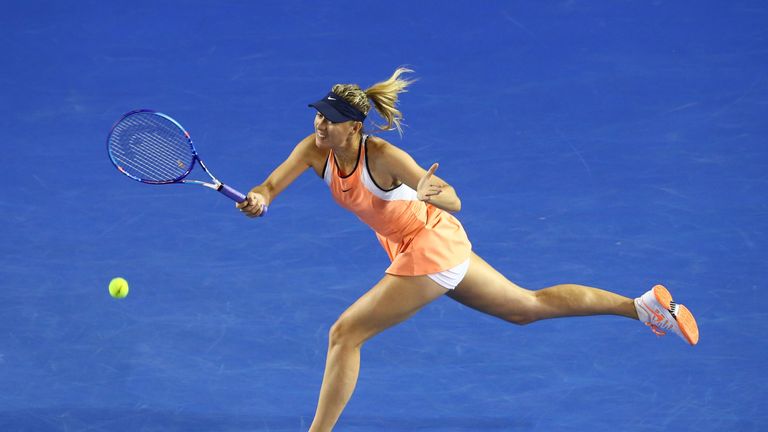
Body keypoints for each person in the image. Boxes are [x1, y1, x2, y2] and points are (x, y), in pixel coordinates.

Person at [236, 68, 699, 432]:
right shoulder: (315, 149)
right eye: (318, 114)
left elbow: (451, 197)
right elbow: (271, 184)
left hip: (430, 246)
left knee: (345, 335)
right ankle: (641, 308)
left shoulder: (381, 157)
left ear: (354, 127)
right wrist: (260, 199)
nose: (320, 123)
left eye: (330, 119)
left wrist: (433, 190)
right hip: (421, 243)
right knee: (526, 307)